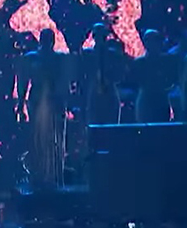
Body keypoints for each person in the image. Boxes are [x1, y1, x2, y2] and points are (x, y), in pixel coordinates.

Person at [18, 30, 71, 189]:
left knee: (55, 138)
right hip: (37, 101)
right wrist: (20, 105)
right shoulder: (31, 58)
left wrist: (64, 100)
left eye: (50, 39)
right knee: (38, 138)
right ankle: (39, 176)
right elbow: (23, 82)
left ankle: (54, 176)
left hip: (55, 102)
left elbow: (65, 82)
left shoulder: (60, 59)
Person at [80, 23, 125, 124]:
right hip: (94, 90)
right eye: (98, 35)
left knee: (111, 121)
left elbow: (120, 74)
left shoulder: (113, 54)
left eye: (102, 35)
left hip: (108, 90)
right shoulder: (88, 54)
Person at [132, 30, 178, 123]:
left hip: (161, 99)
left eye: (157, 41)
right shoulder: (139, 62)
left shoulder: (167, 60)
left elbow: (172, 78)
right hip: (146, 100)